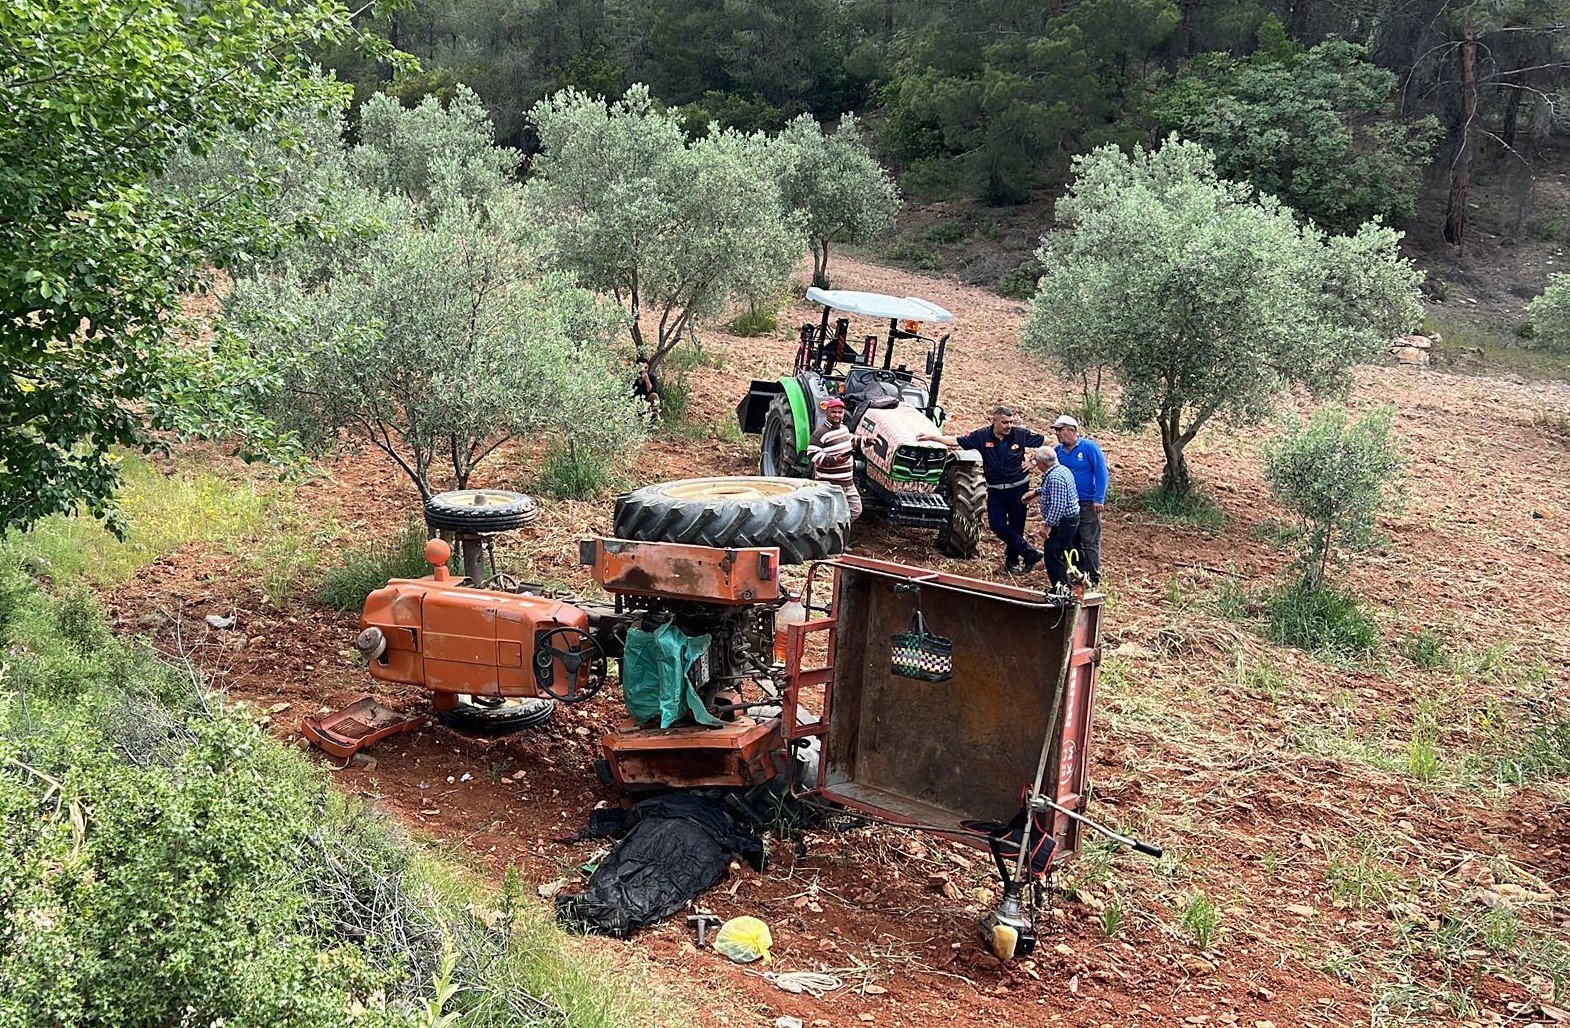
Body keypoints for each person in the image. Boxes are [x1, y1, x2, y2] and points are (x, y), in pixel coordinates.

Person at [920, 405, 1044, 574]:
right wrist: (933, 437)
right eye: (1005, 422)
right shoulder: (981, 436)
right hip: (996, 490)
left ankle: (1012, 562)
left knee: (1017, 526)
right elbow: (957, 441)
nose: (1009, 426)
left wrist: (1035, 462)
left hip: (1019, 488)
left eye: (1011, 422)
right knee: (997, 525)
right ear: (995, 421)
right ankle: (1030, 553)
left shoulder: (1020, 434)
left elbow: (1047, 443)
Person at [1051, 414, 1108, 586]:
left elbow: (1101, 473)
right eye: (1056, 431)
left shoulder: (1089, 448)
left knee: (1089, 540)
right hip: (1069, 503)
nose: (1058, 434)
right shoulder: (1058, 451)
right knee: (1071, 539)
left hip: (1087, 502)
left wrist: (1098, 498)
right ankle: (1077, 572)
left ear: (1072, 430)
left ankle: (1093, 577)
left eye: (1060, 430)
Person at [1027, 447, 1080, 591]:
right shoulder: (1062, 470)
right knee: (1059, 552)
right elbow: (1052, 490)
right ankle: (1065, 585)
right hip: (1070, 519)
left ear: (1042, 463)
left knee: (1053, 553)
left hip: (1064, 521)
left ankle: (1061, 589)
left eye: (1037, 462)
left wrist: (1047, 525)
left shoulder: (1055, 477)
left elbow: (1058, 505)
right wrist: (1036, 492)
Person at [807, 398, 862, 520]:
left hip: (848, 482)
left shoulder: (844, 429)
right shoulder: (820, 433)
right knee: (827, 514)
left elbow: (852, 440)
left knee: (855, 509)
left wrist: (868, 441)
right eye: (834, 412)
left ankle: (838, 531)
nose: (837, 415)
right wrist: (834, 460)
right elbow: (812, 454)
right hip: (830, 483)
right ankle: (831, 535)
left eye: (840, 412)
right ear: (827, 413)